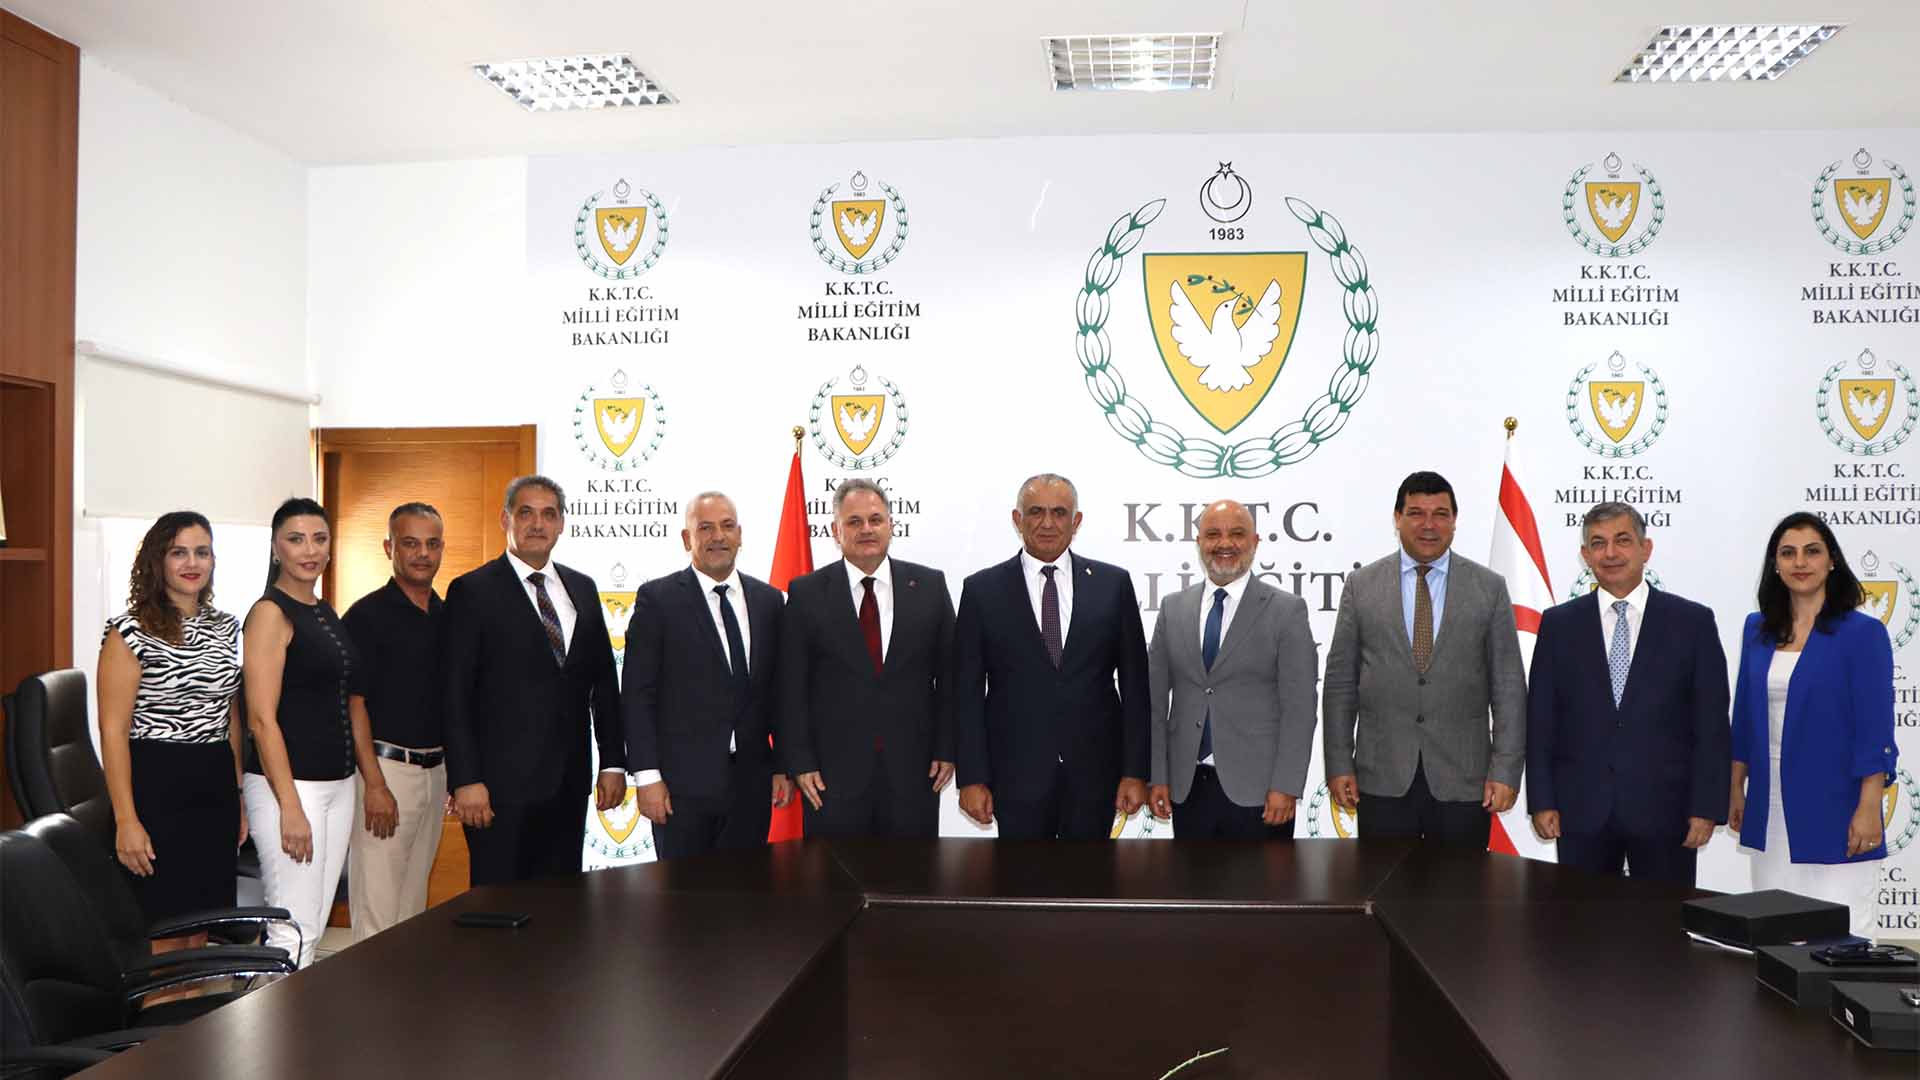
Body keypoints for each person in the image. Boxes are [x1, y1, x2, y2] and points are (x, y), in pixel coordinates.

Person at [1525, 502, 1730, 885]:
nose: (1610, 553)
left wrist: (1706, 806)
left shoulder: (1692, 623)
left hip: (1667, 813)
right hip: (1581, 811)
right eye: (1598, 543)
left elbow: (1711, 724)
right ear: (1585, 555)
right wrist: (1542, 800)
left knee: (1666, 921)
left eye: (1622, 540)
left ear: (1645, 549)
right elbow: (1541, 720)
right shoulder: (1558, 625)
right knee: (1580, 918)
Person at [1323, 471, 1526, 846]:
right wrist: (1338, 763)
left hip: (1464, 782)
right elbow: (1340, 685)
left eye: (1440, 514)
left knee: (1458, 885)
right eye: (1416, 513)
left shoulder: (1489, 588)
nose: (1428, 525)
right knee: (1382, 884)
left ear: (1454, 521)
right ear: (1397, 518)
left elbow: (1509, 687)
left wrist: (1506, 770)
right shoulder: (1361, 586)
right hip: (1381, 778)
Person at [442, 476, 625, 886]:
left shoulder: (583, 588)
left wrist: (613, 762)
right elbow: (454, 694)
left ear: (561, 524)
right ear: (505, 519)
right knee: (497, 906)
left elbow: (603, 682)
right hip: (498, 789)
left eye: (548, 514)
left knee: (561, 905)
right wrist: (466, 779)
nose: (537, 524)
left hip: (568, 784)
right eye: (526, 513)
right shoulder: (472, 591)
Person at [952, 474, 1149, 839]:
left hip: (1095, 776)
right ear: (1017, 519)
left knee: (1091, 877)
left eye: (1059, 513)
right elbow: (967, 694)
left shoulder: (1113, 585)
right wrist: (973, 778)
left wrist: (1135, 771)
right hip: (1015, 778)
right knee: (1020, 876)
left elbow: (1136, 688)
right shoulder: (981, 591)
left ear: (1076, 521)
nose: (1047, 523)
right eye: (1035, 512)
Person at [1730, 512, 1896, 940]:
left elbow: (1875, 727)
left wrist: (1869, 806)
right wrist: (1735, 786)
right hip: (1769, 805)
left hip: (1838, 803)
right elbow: (1744, 715)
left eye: (1812, 551)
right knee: (1774, 932)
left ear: (1831, 561)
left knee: (1842, 935)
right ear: (1775, 564)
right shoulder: (1756, 629)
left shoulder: (1862, 633)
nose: (1800, 562)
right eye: (1788, 553)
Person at [97, 511, 244, 948]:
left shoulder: (226, 626)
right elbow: (112, 730)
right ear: (157, 561)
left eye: (202, 552)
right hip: (156, 786)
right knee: (163, 933)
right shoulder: (129, 631)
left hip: (214, 784)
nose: (192, 563)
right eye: (179, 552)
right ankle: (165, 998)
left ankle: (197, 996)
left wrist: (237, 796)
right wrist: (126, 820)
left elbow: (229, 715)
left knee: (201, 930)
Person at [776, 478, 955, 838]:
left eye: (875, 520)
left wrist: (947, 747)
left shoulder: (930, 586)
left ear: (891, 525)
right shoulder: (806, 593)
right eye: (854, 522)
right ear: (835, 531)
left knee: (913, 871)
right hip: (829, 779)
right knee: (834, 874)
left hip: (915, 773)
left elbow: (952, 678)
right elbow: (790, 688)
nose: (867, 529)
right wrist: (800, 761)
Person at [623, 492, 793, 859]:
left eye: (727, 526)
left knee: (746, 889)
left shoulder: (769, 601)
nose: (718, 536)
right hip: (679, 790)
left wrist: (782, 765)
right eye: (705, 528)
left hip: (751, 786)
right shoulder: (658, 600)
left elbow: (780, 692)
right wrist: (647, 777)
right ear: (687, 539)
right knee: (683, 893)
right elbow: (638, 694)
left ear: (740, 535)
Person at [1144, 500, 1318, 838]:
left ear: (1255, 542)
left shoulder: (1287, 611)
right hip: (1187, 790)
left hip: (1262, 794)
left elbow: (1299, 709)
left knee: (1263, 877)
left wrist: (1286, 785)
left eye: (1237, 534)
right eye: (1213, 534)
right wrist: (1157, 776)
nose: (1225, 543)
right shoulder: (1172, 608)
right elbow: (1154, 703)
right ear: (1199, 542)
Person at [241, 498, 360, 967]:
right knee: (293, 930)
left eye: (319, 539)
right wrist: (289, 806)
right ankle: (275, 1016)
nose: (310, 550)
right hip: (291, 790)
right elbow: (260, 719)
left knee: (312, 925)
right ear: (276, 548)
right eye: (296, 539)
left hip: (337, 785)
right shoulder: (270, 613)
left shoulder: (322, 609)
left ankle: (286, 1012)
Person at [341, 502, 447, 940]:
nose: (422, 553)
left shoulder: (447, 615)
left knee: (412, 907)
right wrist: (375, 785)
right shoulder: (366, 616)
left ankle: (405, 986)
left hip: (435, 772)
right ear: (389, 548)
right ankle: (370, 988)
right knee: (378, 908)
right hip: (385, 772)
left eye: (432, 544)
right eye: (410, 543)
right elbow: (354, 705)